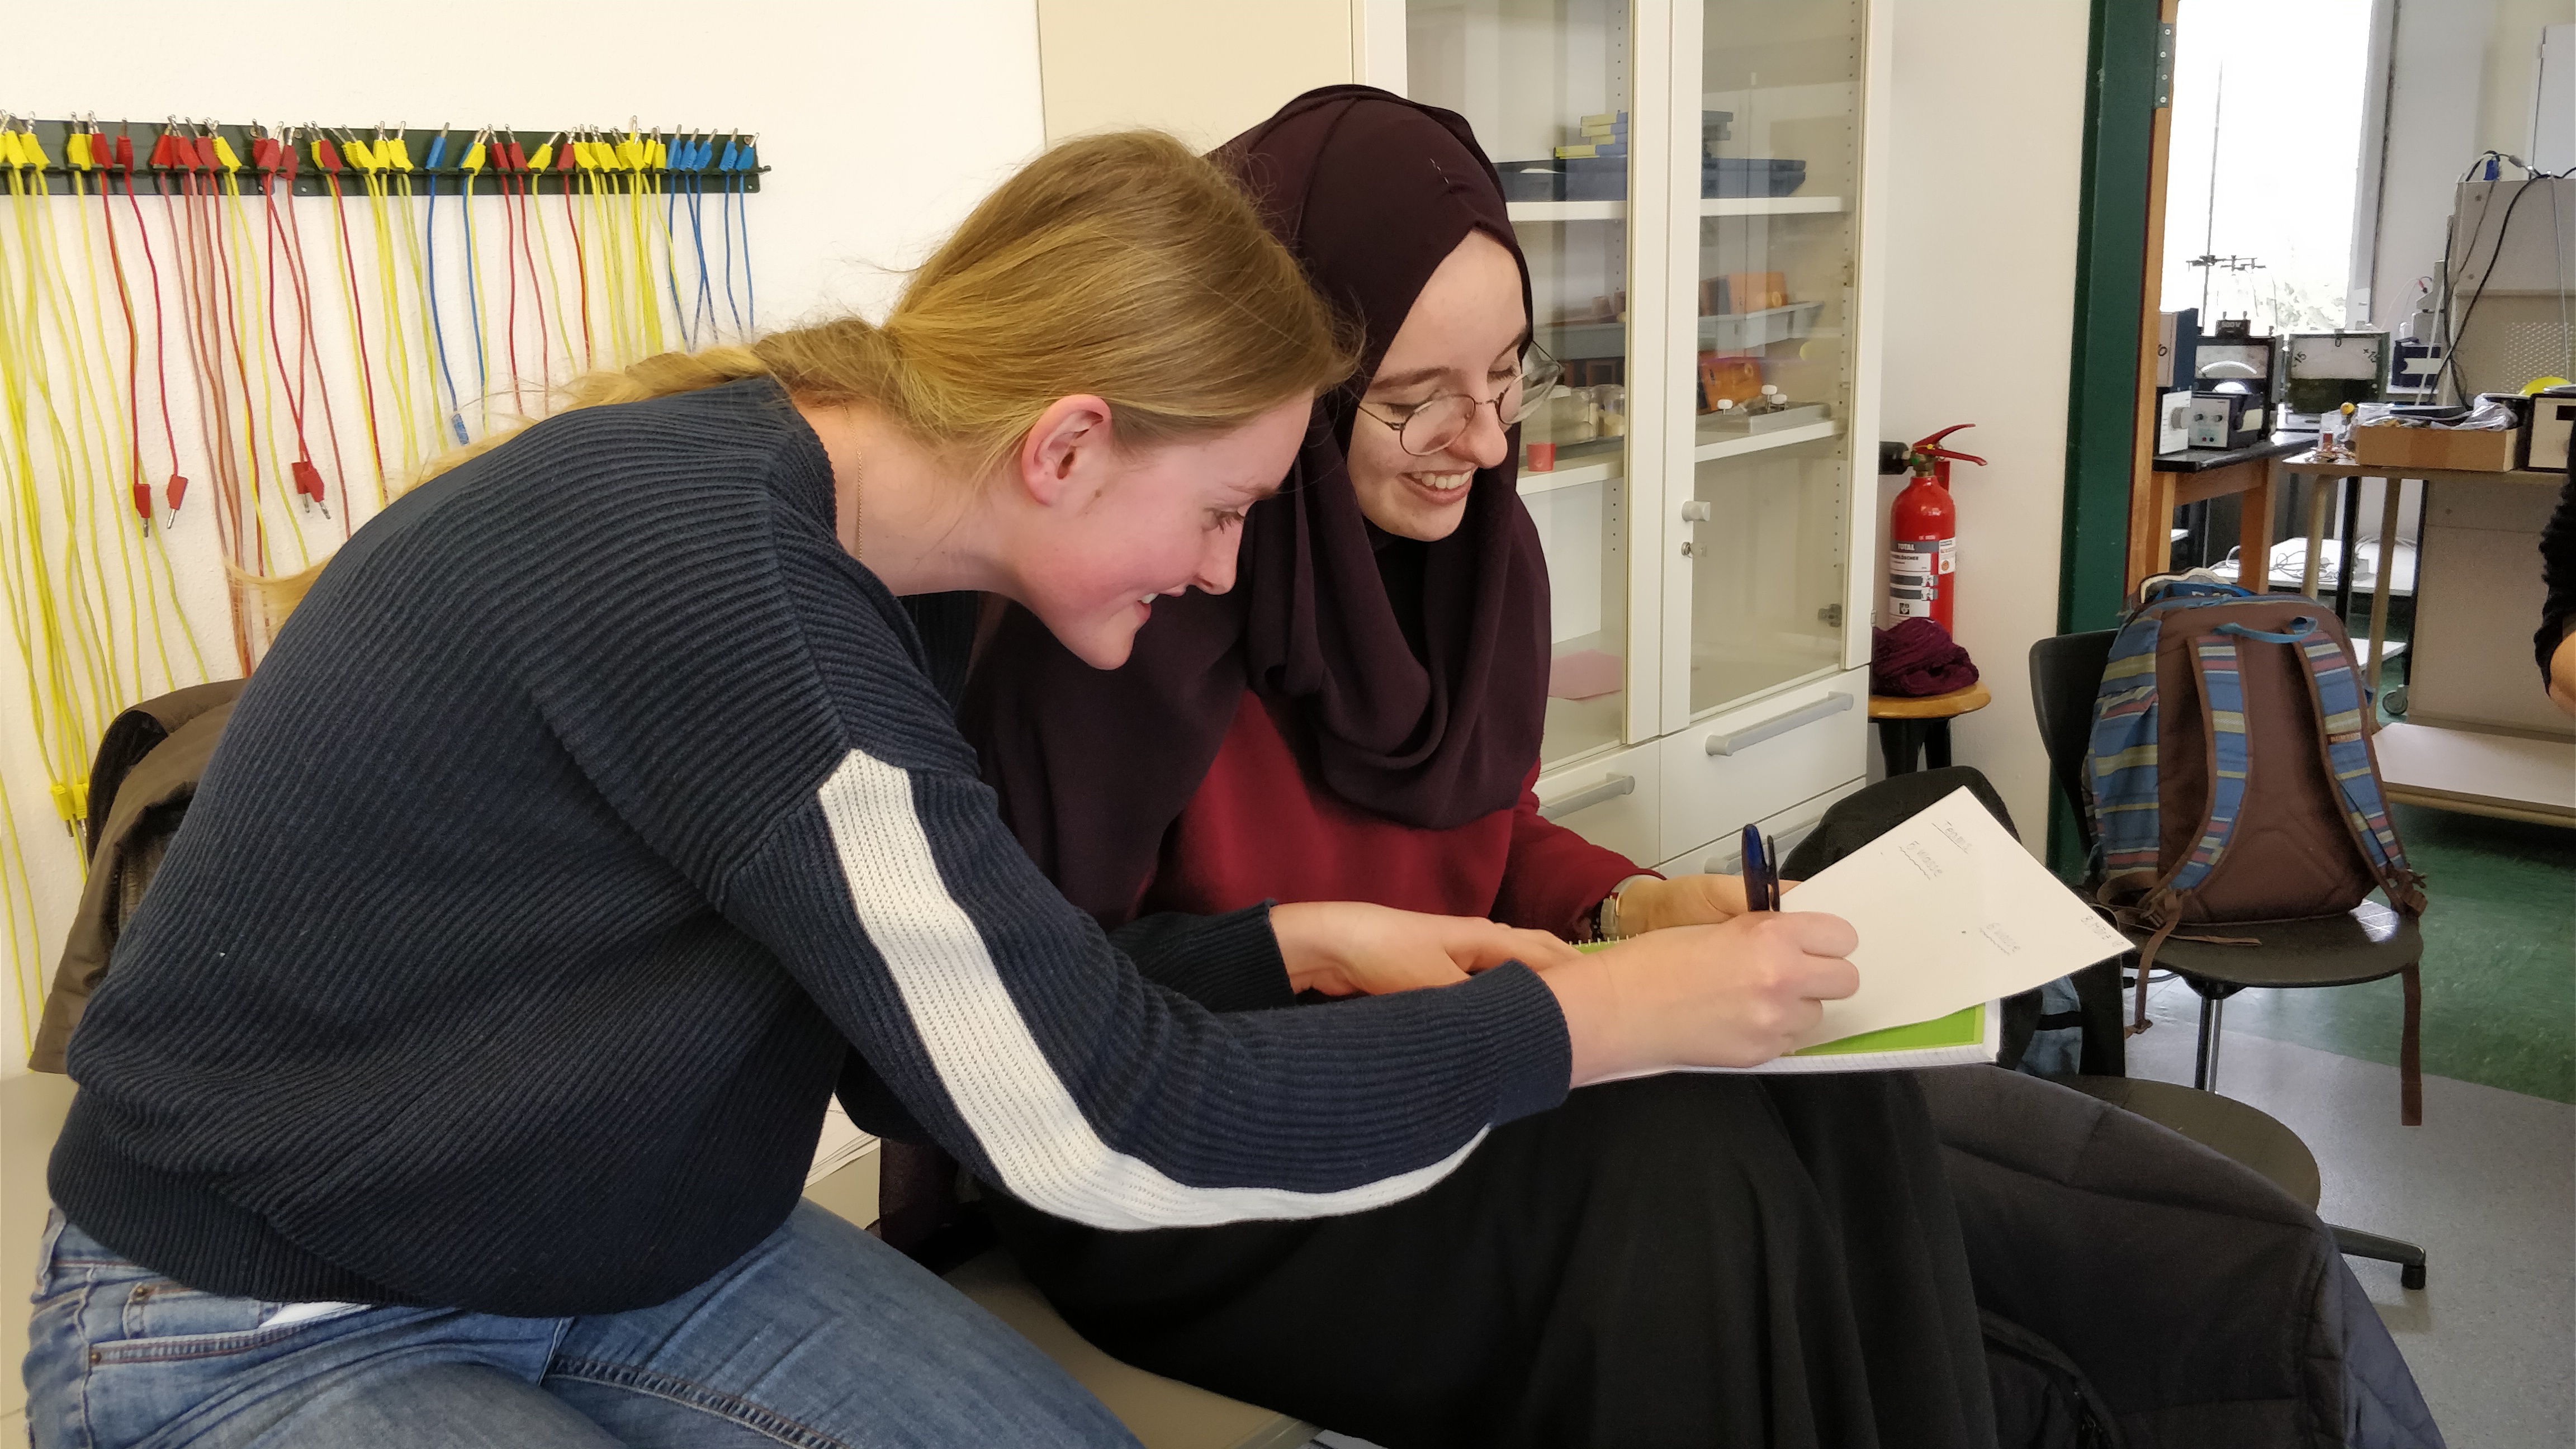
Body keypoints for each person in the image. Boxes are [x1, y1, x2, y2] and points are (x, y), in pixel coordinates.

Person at [26, 130, 1867, 1449]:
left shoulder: (871, 570)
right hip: (265, 1311)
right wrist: (1595, 1020)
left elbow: (911, 1048)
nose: (1225, 571)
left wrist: (1290, 940)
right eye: (1222, 510)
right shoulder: (741, 598)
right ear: (1068, 446)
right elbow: (1105, 1130)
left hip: (637, 1250)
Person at [960, 91, 1996, 1448]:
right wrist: (1327, 952)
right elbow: (1038, 1005)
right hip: (1204, 1148)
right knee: (1673, 1180)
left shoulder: (1477, 563)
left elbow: (1488, 837)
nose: (1489, 442)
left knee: (1831, 1089)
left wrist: (1633, 908)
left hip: (1442, 1059)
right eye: (1413, 403)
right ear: (1290, 384)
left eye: (1510, 375)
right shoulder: (1135, 598)